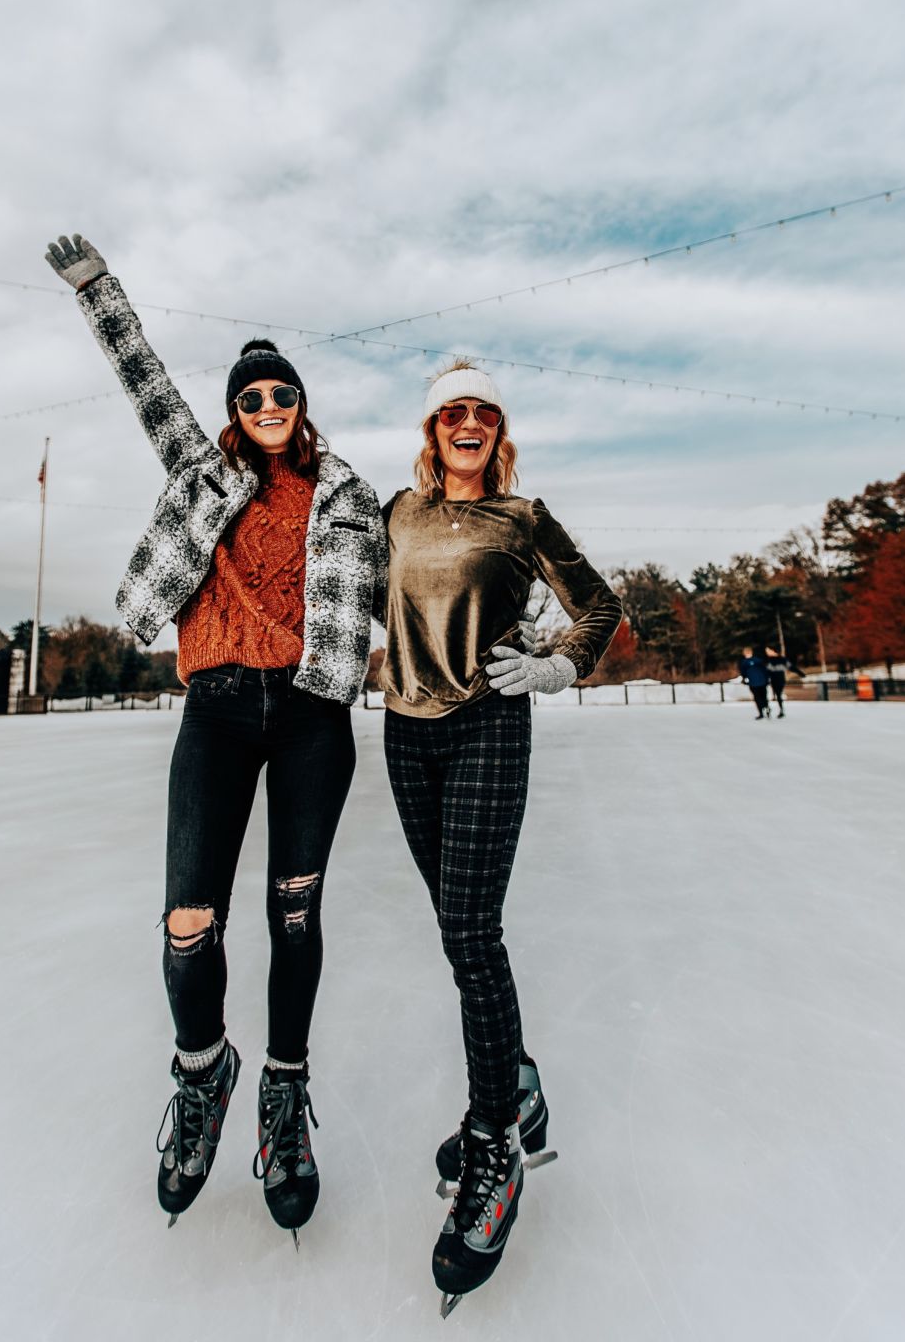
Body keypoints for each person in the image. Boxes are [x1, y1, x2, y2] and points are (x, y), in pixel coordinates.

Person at [43, 234, 387, 1242]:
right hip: (220, 707)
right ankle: (204, 1071)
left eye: (281, 397)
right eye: (251, 400)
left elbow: (426, 580)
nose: (268, 412)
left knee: (292, 915)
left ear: (300, 404)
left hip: (314, 714)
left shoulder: (350, 496)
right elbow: (142, 377)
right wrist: (99, 291)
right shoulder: (202, 469)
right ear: (236, 411)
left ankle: (283, 1092)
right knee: (187, 920)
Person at [378, 360, 622, 1313]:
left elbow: (598, 604)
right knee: (453, 930)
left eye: (484, 411)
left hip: (488, 720)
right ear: (433, 430)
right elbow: (357, 596)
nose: (469, 422)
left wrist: (558, 665)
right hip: (405, 730)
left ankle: (495, 1144)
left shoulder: (522, 519)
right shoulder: (396, 512)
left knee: (473, 934)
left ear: (497, 431)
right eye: (453, 411)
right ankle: (515, 1080)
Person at [764, 647, 804, 717]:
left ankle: (781, 710)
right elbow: (765, 671)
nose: (767, 652)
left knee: (778, 695)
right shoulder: (767, 660)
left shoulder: (782, 659)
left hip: (779, 679)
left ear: (773, 651)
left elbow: (791, 667)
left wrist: (800, 673)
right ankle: (768, 708)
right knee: (770, 694)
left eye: (768, 651)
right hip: (771, 680)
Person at [738, 646, 771, 718]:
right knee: (763, 696)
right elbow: (765, 671)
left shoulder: (744, 662)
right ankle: (766, 706)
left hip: (753, 683)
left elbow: (744, 673)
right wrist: (767, 679)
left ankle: (761, 713)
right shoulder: (759, 660)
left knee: (757, 697)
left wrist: (744, 679)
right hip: (762, 681)